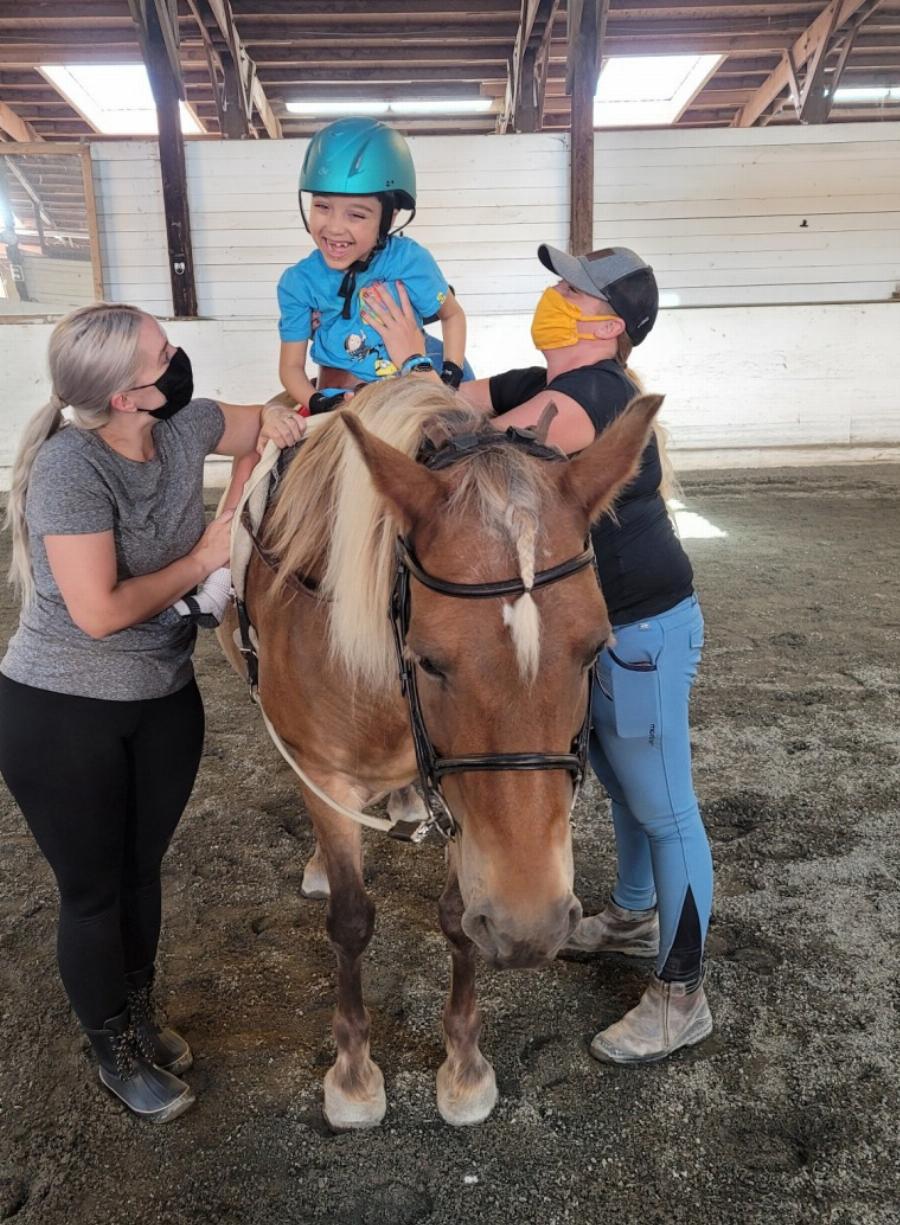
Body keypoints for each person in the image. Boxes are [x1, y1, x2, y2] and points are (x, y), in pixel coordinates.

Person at [357, 246, 714, 1065]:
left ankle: (682, 995)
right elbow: (453, 399)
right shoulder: (541, 381)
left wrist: (415, 358)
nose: (553, 295)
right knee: (616, 777)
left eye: (571, 292)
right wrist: (429, 356)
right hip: (576, 637)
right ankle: (631, 915)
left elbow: (467, 452)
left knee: (665, 806)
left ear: (609, 326)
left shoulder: (593, 397)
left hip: (642, 630)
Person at [0, 302, 304, 1122]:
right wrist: (205, 557)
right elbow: (99, 612)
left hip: (163, 697)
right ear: (124, 396)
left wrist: (280, 419)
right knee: (92, 890)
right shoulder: (71, 469)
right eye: (162, 355)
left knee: (140, 870)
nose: (178, 360)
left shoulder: (181, 426)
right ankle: (115, 1050)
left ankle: (137, 1011)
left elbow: (263, 419)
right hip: (64, 712)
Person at [277, 117, 468, 412]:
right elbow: (290, 366)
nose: (334, 228)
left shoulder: (411, 261)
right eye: (322, 206)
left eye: (356, 215)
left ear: (389, 218)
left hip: (405, 402)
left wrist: (450, 376)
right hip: (339, 404)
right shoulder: (298, 282)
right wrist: (319, 402)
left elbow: (452, 315)